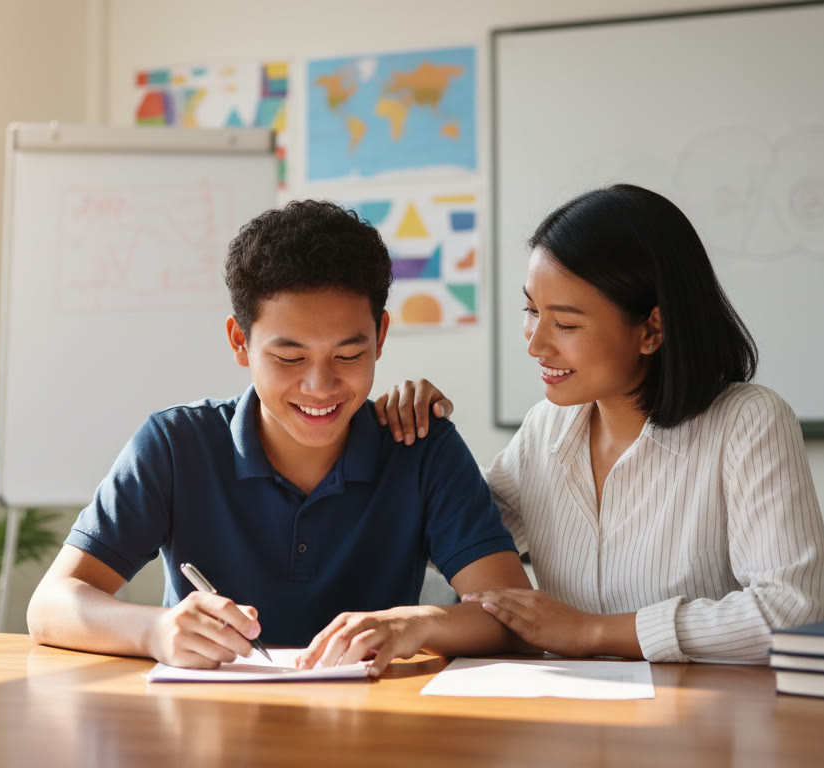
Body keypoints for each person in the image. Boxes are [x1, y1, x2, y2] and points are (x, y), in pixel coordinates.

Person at [27, 200, 531, 676]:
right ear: (240, 342)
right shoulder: (176, 445)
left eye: (349, 356)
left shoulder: (420, 445)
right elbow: (51, 604)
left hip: (371, 727)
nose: (320, 386)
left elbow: (516, 620)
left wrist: (410, 624)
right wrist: (155, 630)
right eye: (289, 357)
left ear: (380, 337)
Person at [375, 184, 824, 664]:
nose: (535, 344)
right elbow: (451, 534)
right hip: (570, 716)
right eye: (532, 311)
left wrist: (593, 632)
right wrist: (411, 439)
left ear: (652, 329)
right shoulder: (546, 428)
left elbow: (793, 613)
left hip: (705, 721)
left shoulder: (749, 422)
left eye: (566, 324)